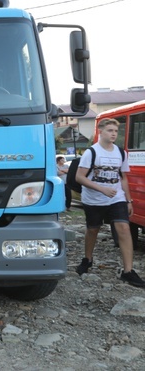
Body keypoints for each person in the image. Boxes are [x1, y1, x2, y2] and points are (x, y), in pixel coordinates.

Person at [75, 118, 144, 287]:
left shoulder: (121, 153)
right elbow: (79, 177)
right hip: (94, 199)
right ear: (100, 132)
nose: (113, 134)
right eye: (110, 130)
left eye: (115, 131)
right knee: (93, 230)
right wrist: (102, 189)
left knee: (124, 228)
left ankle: (128, 271)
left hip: (117, 198)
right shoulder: (91, 152)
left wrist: (128, 200)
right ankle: (87, 259)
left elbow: (124, 178)